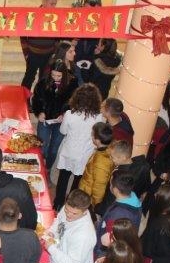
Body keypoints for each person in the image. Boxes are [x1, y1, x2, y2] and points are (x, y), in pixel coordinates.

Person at [53, 83, 105, 211]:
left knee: (63, 178)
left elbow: (63, 131)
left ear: (77, 98)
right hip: (85, 155)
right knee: (77, 181)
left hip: (69, 151)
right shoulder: (99, 118)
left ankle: (58, 203)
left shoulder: (69, 114)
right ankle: (72, 205)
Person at [32, 60, 77, 171]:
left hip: (61, 122)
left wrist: (65, 114)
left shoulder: (72, 84)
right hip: (45, 120)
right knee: (42, 146)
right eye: (53, 75)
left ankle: (47, 170)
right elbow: (36, 100)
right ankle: (39, 169)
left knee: (53, 149)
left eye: (59, 76)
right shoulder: (43, 83)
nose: (55, 78)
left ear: (64, 74)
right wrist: (39, 112)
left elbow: (75, 103)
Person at [93, 170, 142, 258]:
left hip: (107, 252)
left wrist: (101, 253)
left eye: (110, 183)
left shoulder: (117, 214)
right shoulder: (132, 197)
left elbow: (108, 238)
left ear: (115, 189)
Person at [95, 140, 150, 216]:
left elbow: (110, 199)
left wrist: (99, 209)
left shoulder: (119, 177)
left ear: (123, 157)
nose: (111, 159)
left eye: (113, 157)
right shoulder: (140, 165)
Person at [20, 0, 59, 90]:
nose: (54, 7)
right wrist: (26, 53)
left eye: (55, 4)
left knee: (44, 80)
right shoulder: (32, 16)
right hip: (33, 53)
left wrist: (54, 52)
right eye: (52, 4)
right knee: (28, 78)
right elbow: (23, 35)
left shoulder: (56, 17)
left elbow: (59, 35)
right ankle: (23, 97)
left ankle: (39, 99)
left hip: (48, 55)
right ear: (44, 1)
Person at [78, 122, 114, 209]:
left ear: (97, 140)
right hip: (87, 191)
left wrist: (95, 205)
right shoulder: (105, 150)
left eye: (92, 134)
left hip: (87, 197)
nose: (91, 136)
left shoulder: (101, 161)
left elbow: (99, 186)